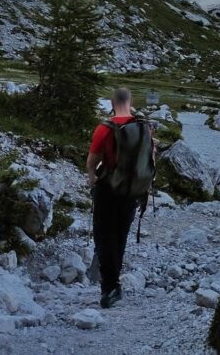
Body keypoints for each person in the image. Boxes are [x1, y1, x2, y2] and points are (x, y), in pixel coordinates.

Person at [86, 87, 155, 308]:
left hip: (108, 188)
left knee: (103, 237)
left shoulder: (105, 128)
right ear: (130, 101)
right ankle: (114, 284)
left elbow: (92, 160)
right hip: (133, 190)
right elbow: (151, 156)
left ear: (111, 103)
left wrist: (91, 176)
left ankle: (110, 288)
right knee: (120, 235)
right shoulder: (144, 127)